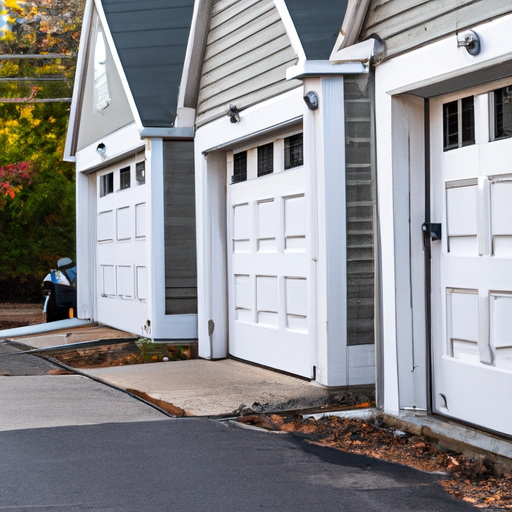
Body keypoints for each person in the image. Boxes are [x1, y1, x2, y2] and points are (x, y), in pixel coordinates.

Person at [42, 257, 77, 322]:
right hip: (65, 305)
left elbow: (45, 287)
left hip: (59, 306)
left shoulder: (54, 275)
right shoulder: (57, 275)